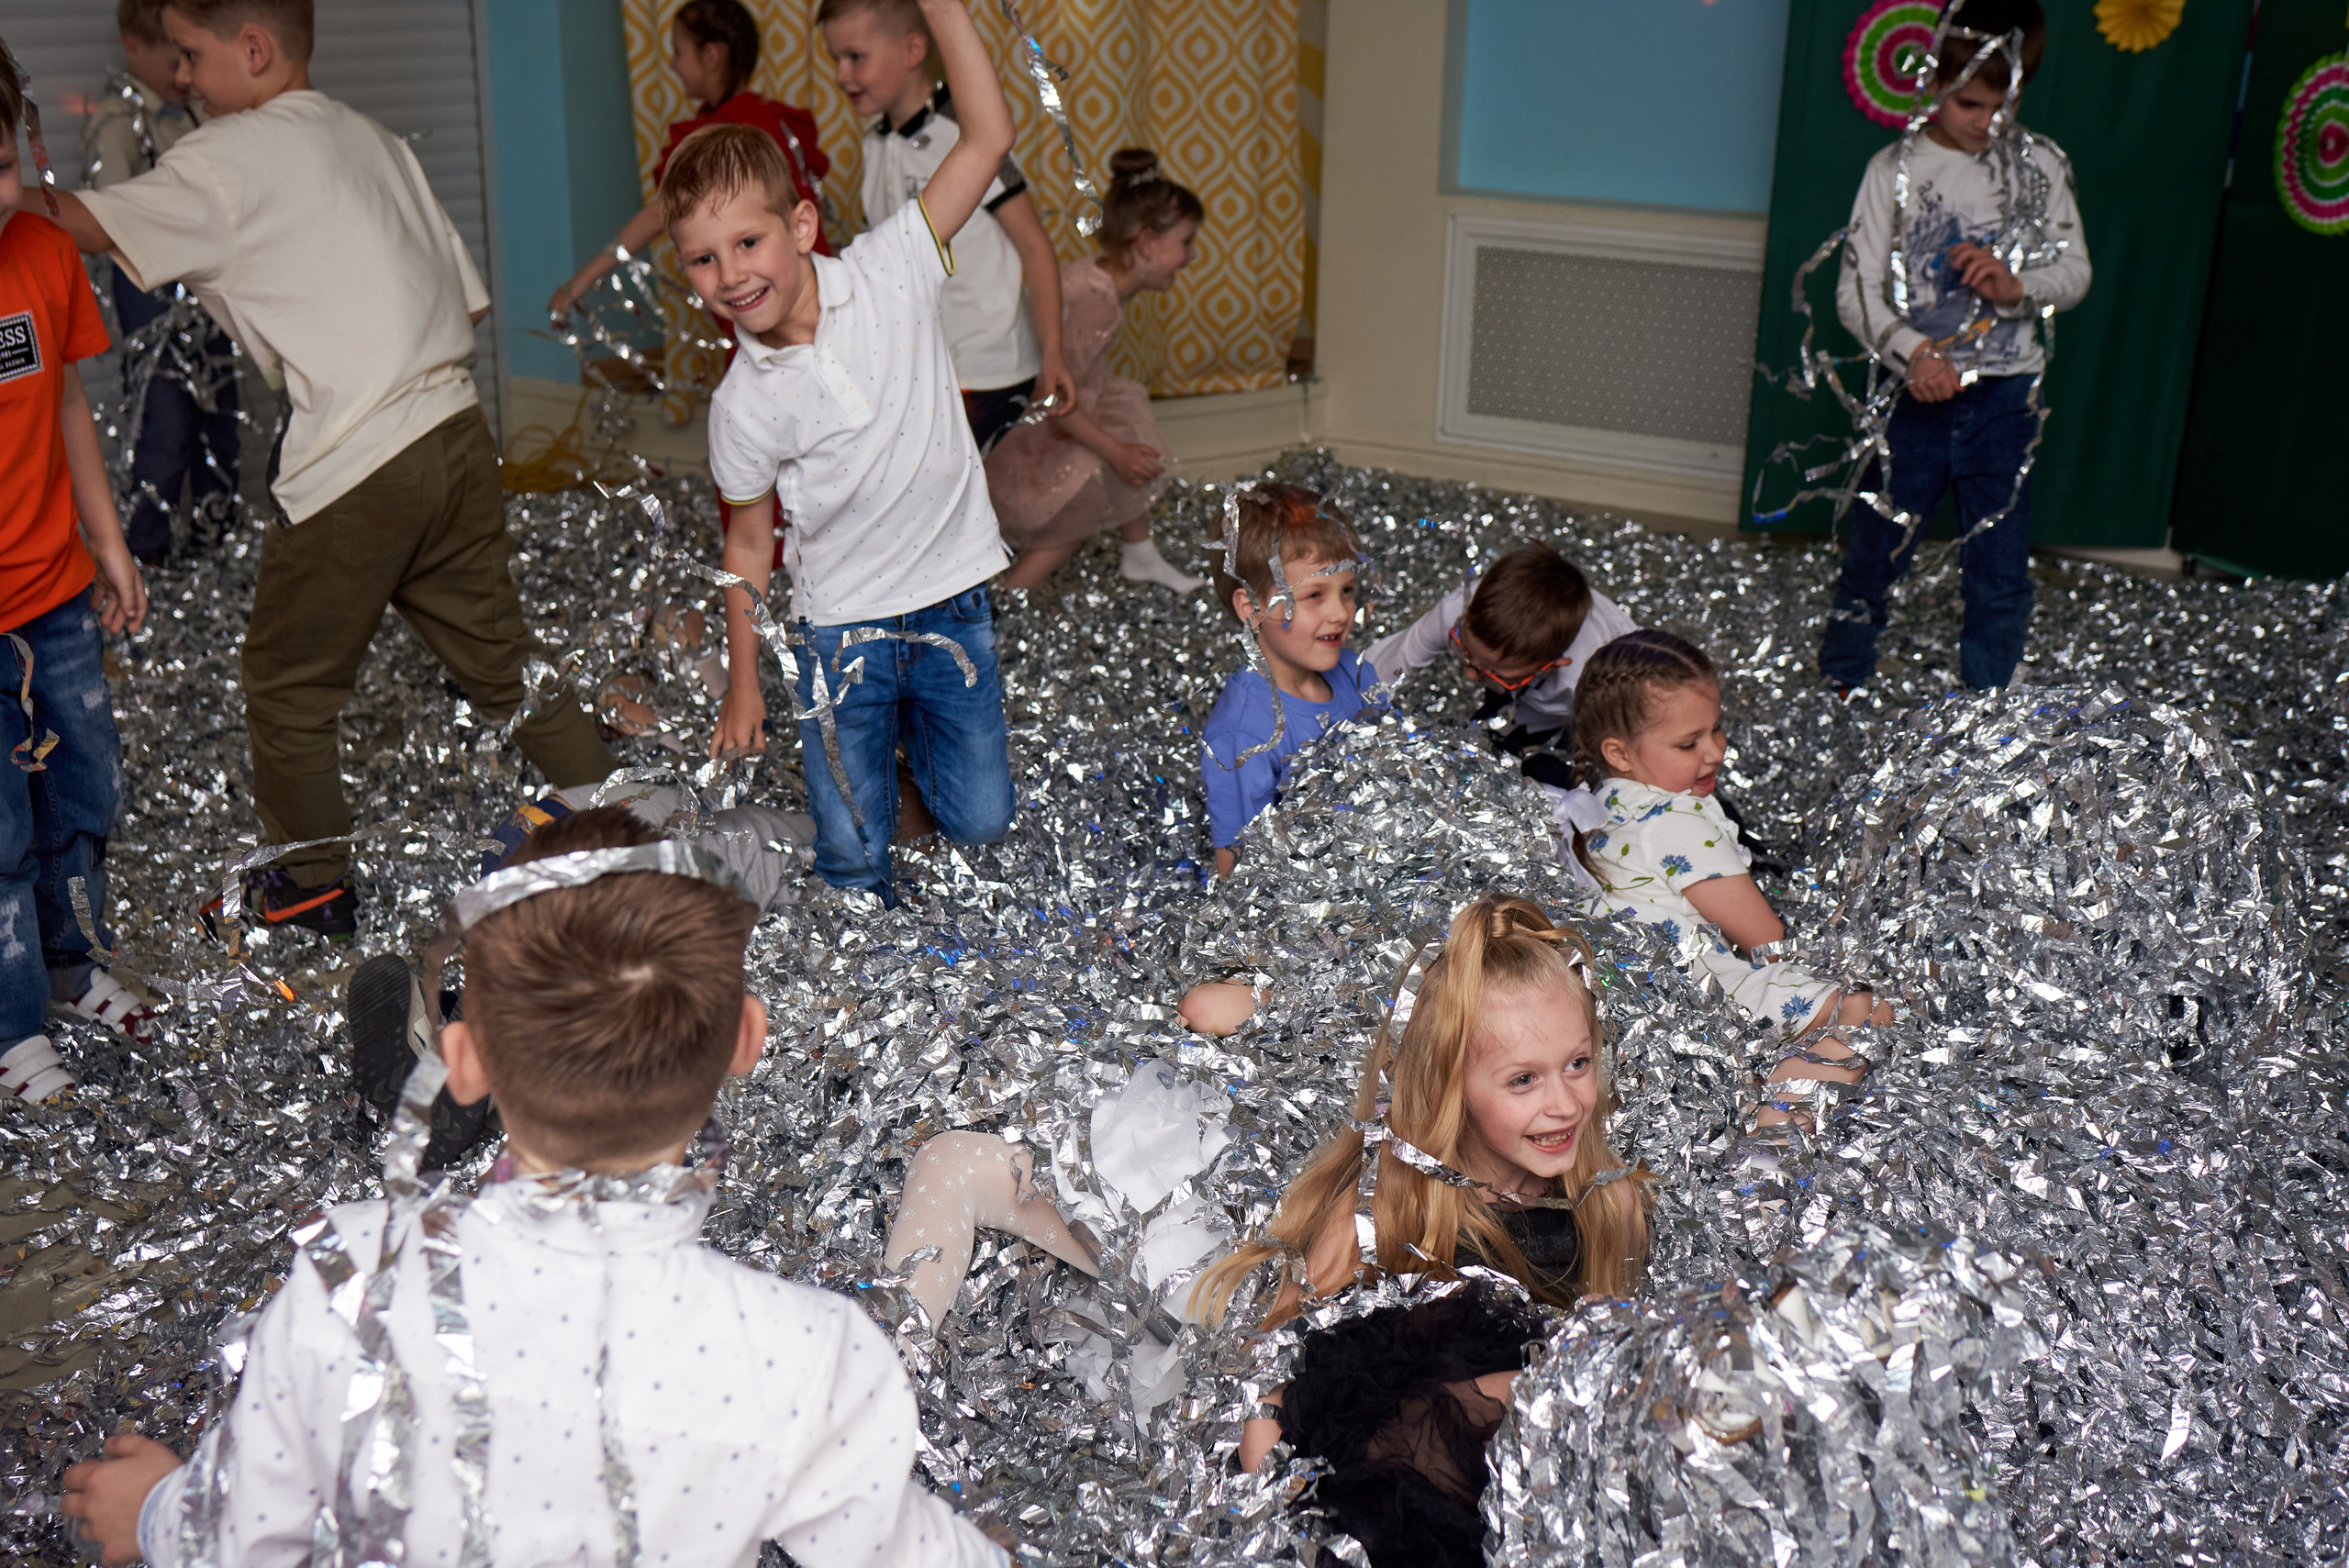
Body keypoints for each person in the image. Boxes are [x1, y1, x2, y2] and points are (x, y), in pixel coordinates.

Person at [58, 807, 1010, 1568]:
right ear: (746, 1040)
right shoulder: (807, 1356)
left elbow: (242, 1539)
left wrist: (154, 1513)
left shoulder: (347, 1280)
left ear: (463, 1065)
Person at [35, 0, 614, 940]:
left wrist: (18, 183)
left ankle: (309, 883)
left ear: (253, 50)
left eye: (190, 55)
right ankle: (610, 813)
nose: (178, 78)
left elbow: (84, 224)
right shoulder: (374, 139)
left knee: (287, 684)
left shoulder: (228, 156)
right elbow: (462, 305)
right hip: (456, 435)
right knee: (500, 657)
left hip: (359, 464)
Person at [676, 0, 1018, 905]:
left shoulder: (890, 263)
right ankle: (870, 802)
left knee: (982, 818)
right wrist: (742, 685)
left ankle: (907, 773)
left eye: (746, 241)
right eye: (703, 260)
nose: (731, 275)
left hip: (951, 603)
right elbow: (748, 545)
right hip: (843, 631)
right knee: (854, 861)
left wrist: (943, 10)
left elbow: (985, 136)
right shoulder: (741, 402)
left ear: (799, 224)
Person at [1195, 895, 1653, 1568]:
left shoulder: (1611, 1206)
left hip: (1542, 1497)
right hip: (1393, 1497)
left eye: (1578, 1064)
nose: (1565, 1102)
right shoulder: (1385, 1211)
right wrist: (1277, 1523)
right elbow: (1272, 1381)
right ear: (1450, 1085)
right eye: (1523, 1079)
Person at [342, 771, 818, 1172]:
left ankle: (495, 1044)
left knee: (563, 949)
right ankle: (507, 1052)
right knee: (622, 966)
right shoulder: (785, 843)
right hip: (594, 852)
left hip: (532, 836)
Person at [1820, 0, 2089, 694]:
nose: (1987, 122)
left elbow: (2077, 271)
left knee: (1998, 563)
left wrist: (2016, 283)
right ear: (1933, 82)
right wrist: (1914, 353)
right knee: (1878, 545)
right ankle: (1844, 678)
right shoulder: (1894, 169)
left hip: (2006, 395)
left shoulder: (2039, 166)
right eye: (1970, 103)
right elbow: (1857, 293)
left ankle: (1988, 702)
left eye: (2002, 104)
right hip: (1915, 394)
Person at [0, 51, 159, 1102]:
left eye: (0, 160)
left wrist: (107, 541)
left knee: (83, 780)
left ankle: (69, 965)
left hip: (52, 590)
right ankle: (12, 1025)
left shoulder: (44, 251)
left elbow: (62, 405)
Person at [1570, 628, 1890, 1069]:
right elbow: (1767, 943)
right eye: (1689, 743)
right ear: (1619, 754)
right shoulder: (1675, 822)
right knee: (1869, 1011)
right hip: (1696, 995)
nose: (1716, 751)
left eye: (1716, 728)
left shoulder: (1605, 799)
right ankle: (1780, 1110)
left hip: (1627, 994)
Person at [818, 0, 1075, 452]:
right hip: (921, 366)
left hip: (984, 365)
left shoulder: (964, 132)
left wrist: (1052, 350)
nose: (841, 74)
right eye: (835, 58)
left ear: (913, 50)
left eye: (855, 57)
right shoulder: (875, 144)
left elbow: (1033, 244)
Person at [988, 149, 1204, 594]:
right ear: (1147, 242)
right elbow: (1050, 392)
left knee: (1124, 423)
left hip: (1069, 401)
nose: (1192, 255)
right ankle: (1010, 599)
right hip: (1027, 422)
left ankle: (1139, 553)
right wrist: (1114, 451)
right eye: (1185, 242)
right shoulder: (1095, 298)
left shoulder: (1104, 283)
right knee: (1082, 498)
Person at [547, 0, 833, 325]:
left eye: (679, 52)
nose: (672, 65)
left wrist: (582, 280)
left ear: (711, 56)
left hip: (788, 311)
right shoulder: (758, 115)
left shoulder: (734, 129)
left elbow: (662, 212)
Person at [85, 0, 240, 566]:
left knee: (220, 421)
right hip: (150, 293)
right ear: (133, 48)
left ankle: (215, 548)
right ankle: (146, 557)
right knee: (165, 426)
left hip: (208, 290)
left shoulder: (197, 115)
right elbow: (112, 218)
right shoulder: (117, 121)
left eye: (189, 58)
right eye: (170, 58)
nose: (182, 75)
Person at [1198, 484, 1382, 881]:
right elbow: (1237, 869)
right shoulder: (1243, 736)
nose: (1340, 613)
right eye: (1315, 595)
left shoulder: (1359, 674)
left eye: (1347, 590)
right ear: (1252, 609)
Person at [1364, 541, 1635, 778]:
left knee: (1544, 766)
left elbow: (1633, 754)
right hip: (1528, 672)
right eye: (1464, 652)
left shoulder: (1594, 681)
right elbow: (1378, 672)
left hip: (1598, 695)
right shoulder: (1457, 612)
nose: (1470, 676)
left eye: (1491, 673)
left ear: (1553, 666)